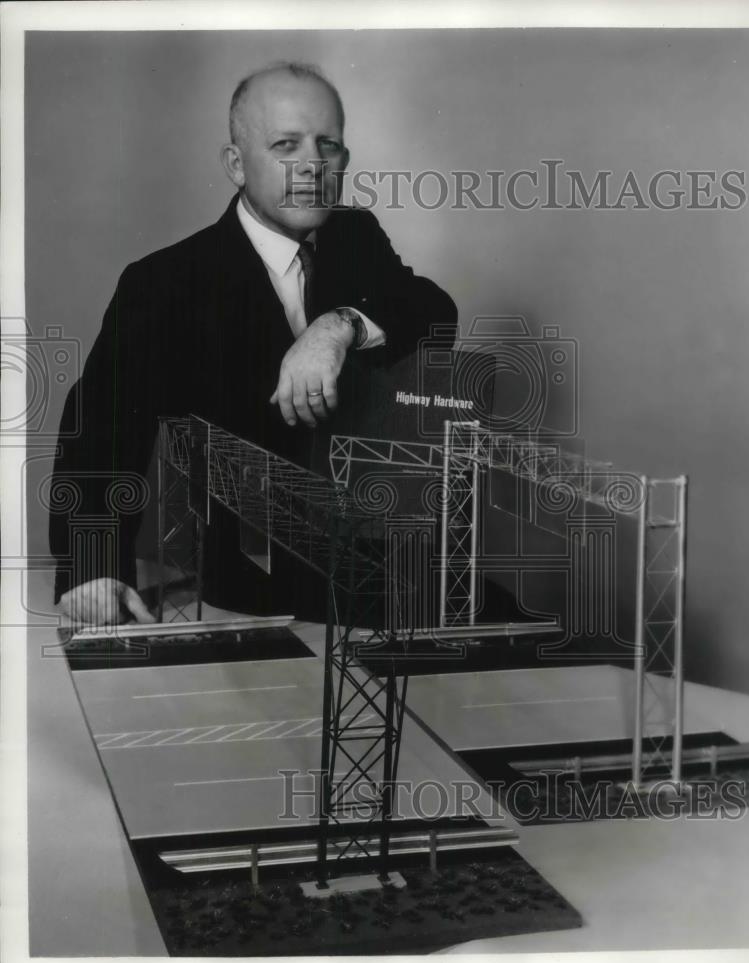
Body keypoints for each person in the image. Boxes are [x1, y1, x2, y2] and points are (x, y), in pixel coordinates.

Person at [49, 62, 457, 625]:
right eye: (286, 144)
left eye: (328, 145)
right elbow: (100, 423)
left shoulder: (355, 236)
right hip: (256, 592)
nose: (312, 165)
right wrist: (93, 570)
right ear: (236, 164)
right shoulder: (165, 282)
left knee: (551, 642)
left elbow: (435, 312)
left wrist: (337, 326)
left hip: (385, 565)